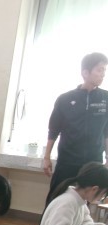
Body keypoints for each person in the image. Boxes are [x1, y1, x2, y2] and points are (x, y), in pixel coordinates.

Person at [43, 52, 108, 206]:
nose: (103, 74)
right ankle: (47, 223)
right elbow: (53, 130)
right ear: (85, 72)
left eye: (104, 70)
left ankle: (78, 224)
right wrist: (46, 157)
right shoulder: (65, 99)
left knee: (84, 204)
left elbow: (106, 132)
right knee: (55, 199)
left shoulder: (106, 98)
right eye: (99, 70)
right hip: (67, 160)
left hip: (93, 162)